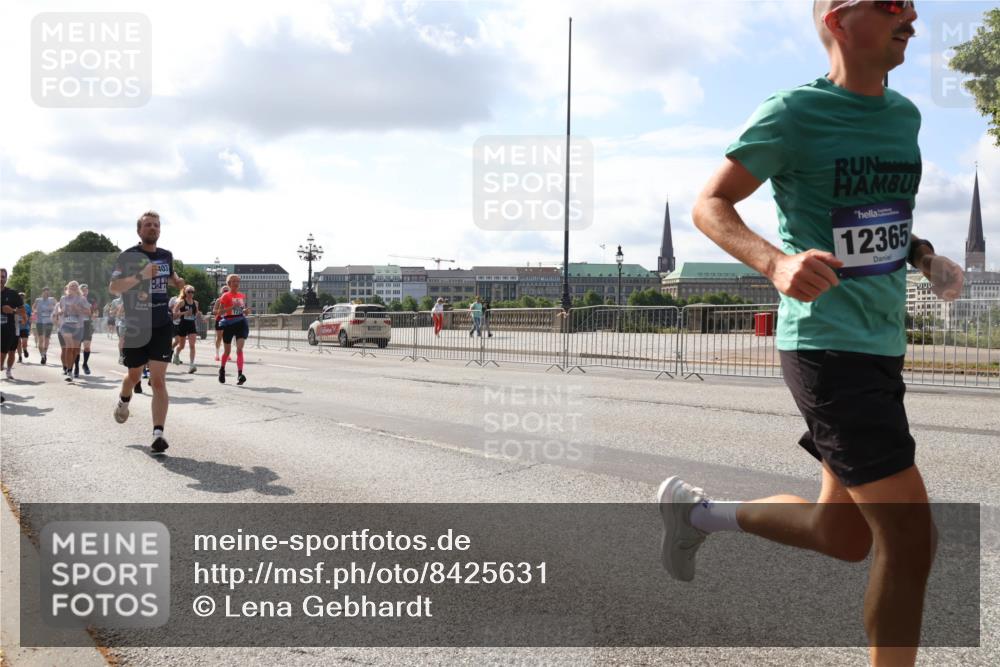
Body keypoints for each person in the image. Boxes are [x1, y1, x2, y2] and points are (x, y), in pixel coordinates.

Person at [657, 3, 965, 666]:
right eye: (890, 2)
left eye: (913, 3)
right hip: (827, 347)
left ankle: (697, 515)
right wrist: (775, 261)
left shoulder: (904, 116)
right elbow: (710, 203)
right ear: (838, 18)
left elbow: (876, 217)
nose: (910, 15)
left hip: (881, 346)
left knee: (842, 533)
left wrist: (922, 259)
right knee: (911, 537)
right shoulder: (793, 113)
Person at [109, 210, 186, 453]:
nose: (153, 228)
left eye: (156, 225)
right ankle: (123, 400)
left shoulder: (166, 256)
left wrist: (177, 282)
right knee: (133, 376)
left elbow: (170, 276)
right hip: (136, 325)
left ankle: (158, 434)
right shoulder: (128, 256)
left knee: (158, 380)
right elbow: (114, 287)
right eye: (148, 225)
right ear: (139, 231)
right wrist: (141, 275)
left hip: (161, 323)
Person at [214, 275, 251, 385]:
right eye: (233, 281)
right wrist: (230, 308)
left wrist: (245, 311)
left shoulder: (241, 295)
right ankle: (222, 369)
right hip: (228, 324)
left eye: (237, 281)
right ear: (229, 283)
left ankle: (240, 374)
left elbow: (240, 310)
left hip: (240, 323)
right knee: (227, 351)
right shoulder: (225, 296)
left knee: (239, 349)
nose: (236, 283)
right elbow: (218, 312)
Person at [56, 281, 90, 382]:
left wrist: (78, 309)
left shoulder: (82, 299)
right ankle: (69, 371)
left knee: (75, 350)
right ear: (68, 288)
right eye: (71, 286)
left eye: (75, 286)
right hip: (66, 325)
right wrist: (60, 311)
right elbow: (59, 308)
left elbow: (88, 312)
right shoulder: (63, 298)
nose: (73, 287)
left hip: (78, 326)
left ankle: (71, 367)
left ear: (77, 288)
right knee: (69, 347)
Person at [1, 269, 25, 380]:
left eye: (3, 277)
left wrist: (14, 311)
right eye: (0, 276)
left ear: (6, 279)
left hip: (10, 328)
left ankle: (9, 370)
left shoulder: (12, 293)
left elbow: (22, 311)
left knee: (11, 352)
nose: (1, 279)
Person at [172, 286, 200, 373]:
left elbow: (197, 313)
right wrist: (184, 313)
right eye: (189, 292)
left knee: (192, 345)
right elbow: (174, 314)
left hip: (191, 325)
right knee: (182, 346)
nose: (191, 294)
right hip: (183, 324)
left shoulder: (195, 303)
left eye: (192, 292)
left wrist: (203, 318)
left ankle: (191, 365)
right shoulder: (181, 302)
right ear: (185, 292)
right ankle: (176, 354)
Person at [74, 283, 100, 375]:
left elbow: (96, 311)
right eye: (83, 290)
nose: (85, 292)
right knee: (77, 348)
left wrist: (95, 314)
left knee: (87, 347)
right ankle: (76, 366)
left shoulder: (91, 300)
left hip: (87, 325)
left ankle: (85, 364)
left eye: (86, 290)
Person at [32, 287, 56, 365]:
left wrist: (54, 311)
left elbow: (58, 306)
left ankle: (44, 353)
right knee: (41, 339)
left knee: (47, 339)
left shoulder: (52, 299)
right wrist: (35, 311)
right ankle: (42, 355)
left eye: (48, 293)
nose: (46, 294)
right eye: (45, 293)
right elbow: (33, 307)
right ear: (42, 292)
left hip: (49, 322)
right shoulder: (38, 300)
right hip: (40, 322)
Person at [212, 286, 229, 361]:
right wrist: (221, 310)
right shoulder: (219, 300)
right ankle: (217, 353)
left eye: (227, 291)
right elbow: (214, 311)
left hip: (228, 320)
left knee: (227, 338)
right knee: (219, 337)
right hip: (219, 320)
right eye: (224, 291)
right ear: (221, 293)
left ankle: (227, 354)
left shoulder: (231, 300)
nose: (225, 293)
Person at [16, 292, 31, 361]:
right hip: (16, 327)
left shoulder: (27, 306)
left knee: (24, 342)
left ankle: (24, 349)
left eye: (23, 297)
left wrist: (30, 325)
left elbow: (30, 316)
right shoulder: (14, 306)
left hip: (25, 327)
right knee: (18, 342)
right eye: (20, 297)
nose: (21, 298)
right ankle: (20, 357)